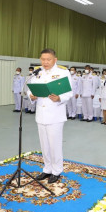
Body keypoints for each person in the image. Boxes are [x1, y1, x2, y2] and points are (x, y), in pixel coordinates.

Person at [28, 48, 73, 183]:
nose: (45, 62)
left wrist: (59, 98)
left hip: (55, 114)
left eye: (48, 59)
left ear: (55, 60)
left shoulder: (62, 72)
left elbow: (69, 92)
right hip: (41, 114)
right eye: (43, 59)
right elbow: (30, 89)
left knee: (55, 144)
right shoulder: (38, 72)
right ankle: (47, 169)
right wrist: (32, 96)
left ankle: (56, 170)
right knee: (44, 144)